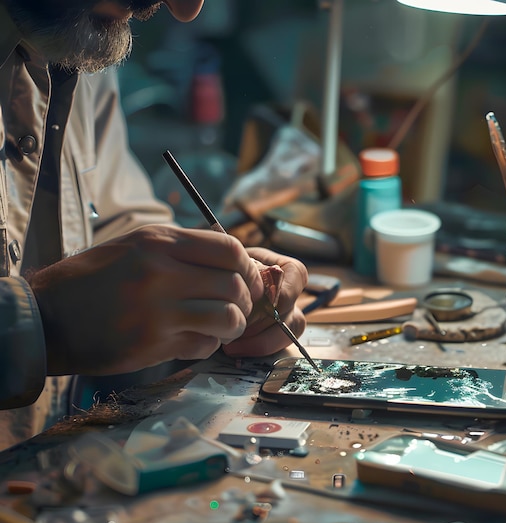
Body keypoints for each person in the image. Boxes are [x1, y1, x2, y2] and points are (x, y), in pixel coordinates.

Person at [0, 0, 308, 449]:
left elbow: (109, 214)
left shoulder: (74, 26)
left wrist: (206, 285)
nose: (185, 9)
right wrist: (36, 322)